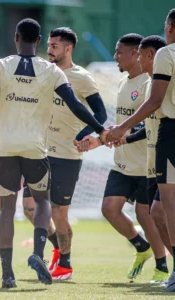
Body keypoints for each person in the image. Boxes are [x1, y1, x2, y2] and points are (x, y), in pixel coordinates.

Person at [0, 18, 107, 288]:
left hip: (5, 149)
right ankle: (38, 253)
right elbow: (77, 107)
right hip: (35, 149)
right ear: (40, 41)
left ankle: (7, 274)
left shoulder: (0, 66)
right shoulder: (51, 71)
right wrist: (100, 129)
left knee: (8, 210)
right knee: (43, 203)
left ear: (16, 38)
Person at [22, 27, 107, 280]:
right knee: (28, 208)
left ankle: (66, 265)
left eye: (55, 46)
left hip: (67, 155)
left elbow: (100, 114)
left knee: (59, 211)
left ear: (68, 49)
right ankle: (59, 247)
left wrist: (83, 136)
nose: (49, 49)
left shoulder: (82, 78)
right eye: (48, 45)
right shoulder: (42, 72)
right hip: (38, 151)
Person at [107, 9, 175, 292]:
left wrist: (122, 127)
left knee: (165, 207)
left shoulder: (165, 54)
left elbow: (156, 101)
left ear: (170, 27)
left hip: (170, 133)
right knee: (157, 210)